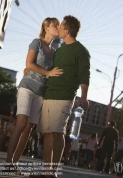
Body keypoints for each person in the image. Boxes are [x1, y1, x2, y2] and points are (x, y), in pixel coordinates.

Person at [5, 17, 63, 173]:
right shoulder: (36, 43)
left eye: (58, 25)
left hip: (41, 93)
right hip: (28, 87)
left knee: (29, 128)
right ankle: (8, 162)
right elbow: (29, 64)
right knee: (21, 123)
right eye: (55, 25)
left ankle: (14, 164)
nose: (58, 27)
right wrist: (48, 72)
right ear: (46, 28)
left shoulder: (56, 52)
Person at [37, 15, 90, 178]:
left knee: (57, 132)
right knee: (47, 133)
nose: (58, 27)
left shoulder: (81, 51)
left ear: (66, 31)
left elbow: (84, 74)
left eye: (61, 25)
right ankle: (46, 171)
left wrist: (84, 96)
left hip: (64, 96)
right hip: (50, 94)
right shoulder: (59, 51)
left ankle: (52, 173)